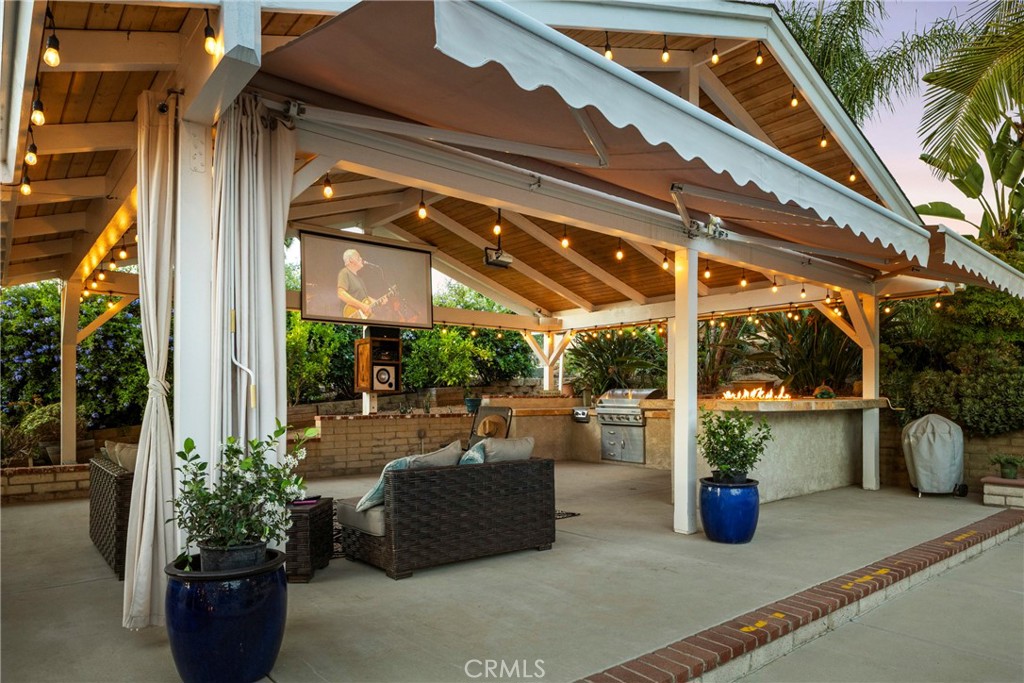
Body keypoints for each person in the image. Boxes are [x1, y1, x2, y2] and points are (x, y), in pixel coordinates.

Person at [337, 249, 373, 318]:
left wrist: (378, 301)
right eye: (358, 257)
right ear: (351, 260)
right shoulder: (344, 272)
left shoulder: (359, 278)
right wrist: (361, 305)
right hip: (352, 315)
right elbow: (341, 293)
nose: (361, 259)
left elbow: (365, 298)